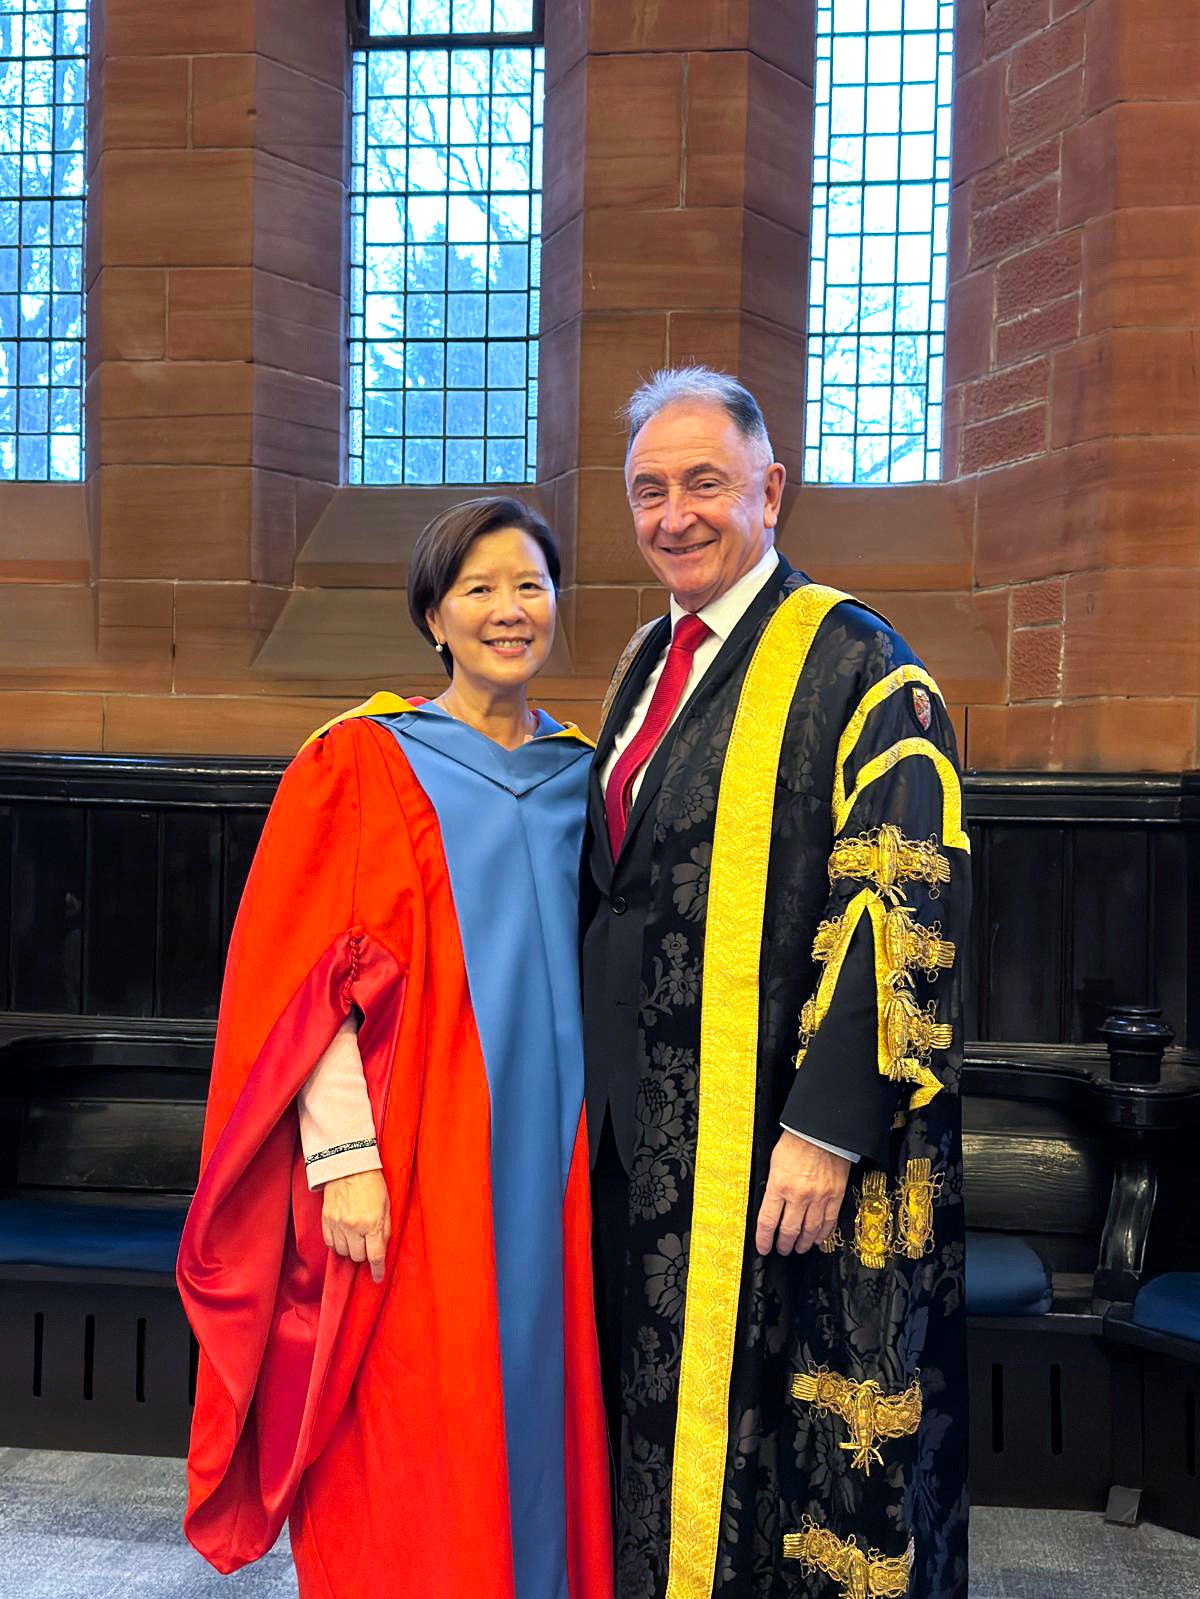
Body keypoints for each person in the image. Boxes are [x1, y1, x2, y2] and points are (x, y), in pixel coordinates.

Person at [177, 497, 613, 1599]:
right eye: (478, 589)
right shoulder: (364, 762)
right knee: (413, 1419)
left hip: (559, 1160)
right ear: (434, 616)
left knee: (543, 1401)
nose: (508, 612)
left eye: (529, 586)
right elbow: (302, 993)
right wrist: (345, 1165)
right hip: (418, 1153)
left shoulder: (591, 778)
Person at [582, 368, 969, 1599]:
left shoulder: (859, 659)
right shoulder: (650, 658)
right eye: (649, 491)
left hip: (764, 1139)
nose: (674, 516)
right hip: (633, 1126)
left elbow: (900, 894)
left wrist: (824, 1127)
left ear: (771, 490)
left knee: (760, 1448)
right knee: (642, 1420)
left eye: (705, 483)